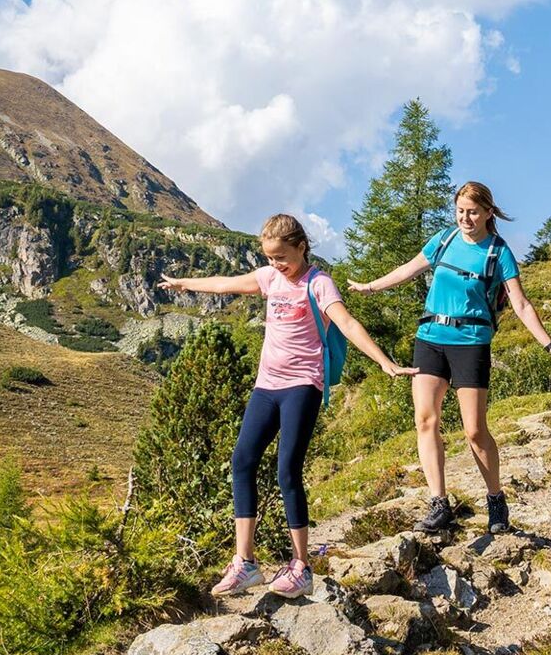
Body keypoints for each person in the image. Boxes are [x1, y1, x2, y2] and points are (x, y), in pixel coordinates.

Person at [158, 214, 413, 598]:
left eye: (282, 256)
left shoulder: (319, 283)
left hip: (302, 386)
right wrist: (182, 283)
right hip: (267, 385)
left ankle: (301, 566)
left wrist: (384, 361)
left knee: (286, 470)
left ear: (301, 247)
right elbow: (225, 285)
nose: (276, 264)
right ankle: (245, 562)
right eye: (269, 257)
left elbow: (347, 323)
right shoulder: (269, 278)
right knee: (242, 460)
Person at [350, 181, 551, 535]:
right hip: (430, 337)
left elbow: (520, 304)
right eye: (460, 212)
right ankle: (439, 504)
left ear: (488, 212)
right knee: (426, 420)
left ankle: (495, 500)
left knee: (474, 430)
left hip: (471, 342)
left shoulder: (498, 252)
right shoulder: (444, 240)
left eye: (472, 212)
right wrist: (370, 286)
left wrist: (550, 345)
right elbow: (408, 269)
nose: (465, 219)